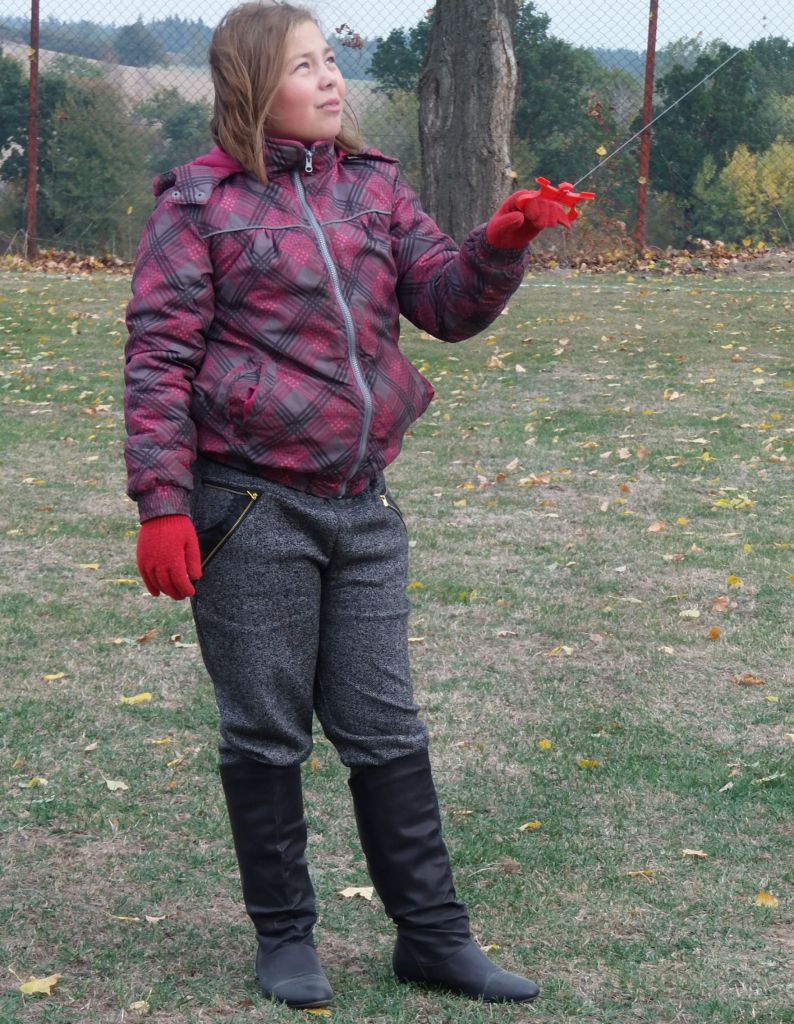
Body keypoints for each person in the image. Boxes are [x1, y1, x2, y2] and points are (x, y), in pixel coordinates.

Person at [124, 1, 571, 1011]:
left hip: (362, 509)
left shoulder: (374, 188)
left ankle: (433, 937)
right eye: (303, 66)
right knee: (265, 728)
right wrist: (162, 502)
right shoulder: (197, 206)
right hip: (248, 510)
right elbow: (157, 360)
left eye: (330, 60)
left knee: (384, 722)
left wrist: (499, 242)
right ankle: (285, 938)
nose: (329, 79)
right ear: (251, 88)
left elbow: (444, 303)